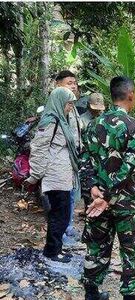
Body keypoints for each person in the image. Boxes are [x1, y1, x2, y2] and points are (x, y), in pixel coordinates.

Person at [80, 76, 135, 300]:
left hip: (97, 201)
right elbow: (128, 166)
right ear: (131, 95)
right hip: (124, 200)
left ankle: (91, 294)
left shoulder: (92, 125)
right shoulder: (133, 125)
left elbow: (84, 162)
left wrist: (92, 190)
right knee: (131, 250)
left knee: (96, 247)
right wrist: (107, 195)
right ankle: (129, 296)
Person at [24, 87, 80, 263]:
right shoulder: (50, 121)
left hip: (64, 174)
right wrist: (36, 175)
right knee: (59, 215)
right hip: (54, 175)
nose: (70, 107)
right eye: (68, 103)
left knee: (63, 214)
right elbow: (39, 149)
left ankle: (57, 249)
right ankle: (52, 252)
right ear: (59, 103)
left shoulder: (62, 119)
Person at [54, 70, 82, 239]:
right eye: (69, 83)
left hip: (73, 159)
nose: (73, 86)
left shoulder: (71, 106)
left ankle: (68, 227)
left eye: (74, 83)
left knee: (70, 195)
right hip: (61, 160)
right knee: (62, 197)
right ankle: (61, 235)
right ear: (58, 85)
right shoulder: (58, 107)